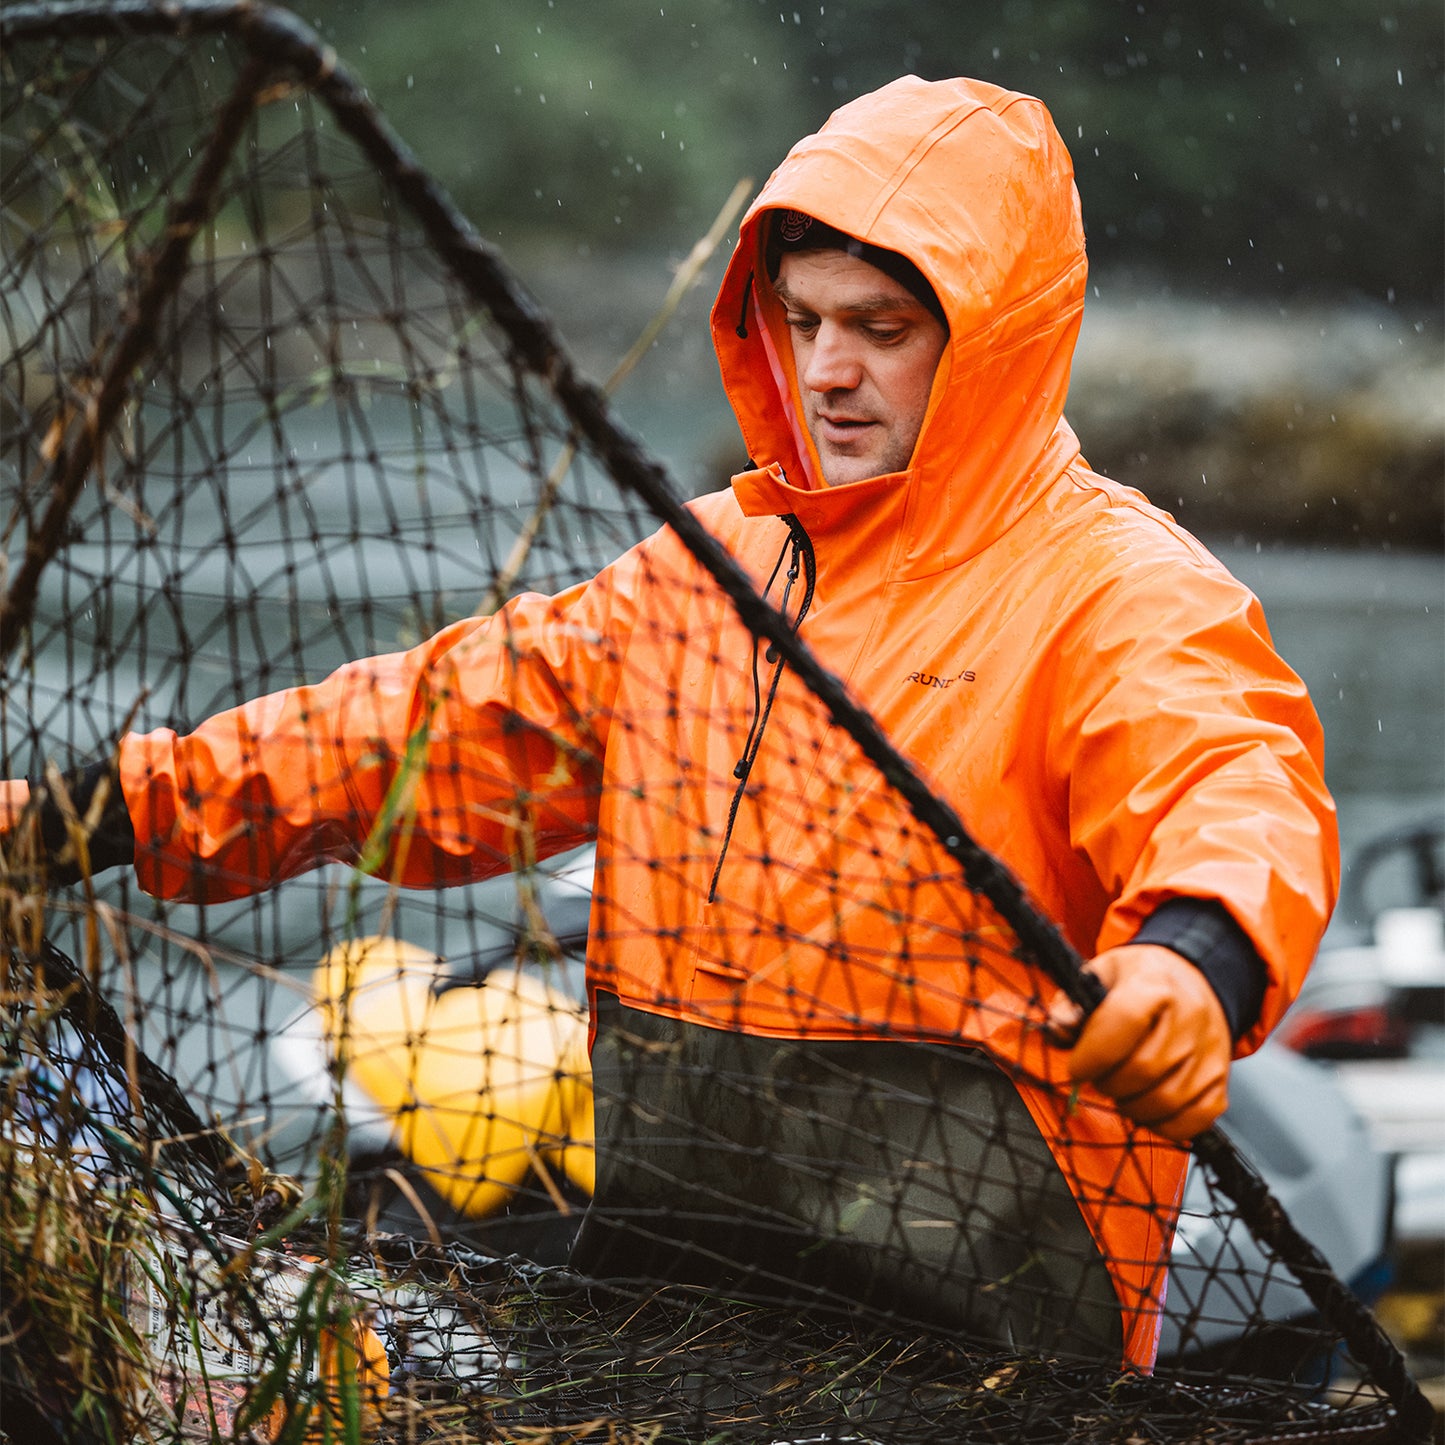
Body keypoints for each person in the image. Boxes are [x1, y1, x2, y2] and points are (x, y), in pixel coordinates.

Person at [1, 76, 1337, 1369]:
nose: (828, 370)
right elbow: (412, 733)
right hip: (680, 1289)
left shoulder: (1119, 588)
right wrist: (101, 811)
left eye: (880, 325)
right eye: (801, 319)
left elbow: (1236, 780)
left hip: (988, 1338)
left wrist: (1189, 966)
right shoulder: (703, 569)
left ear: (998, 336)